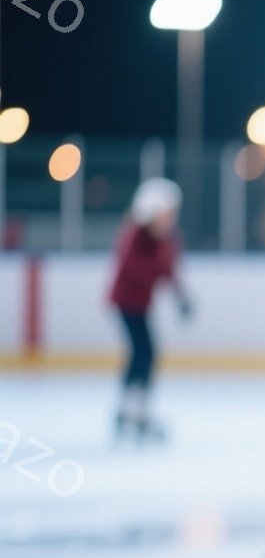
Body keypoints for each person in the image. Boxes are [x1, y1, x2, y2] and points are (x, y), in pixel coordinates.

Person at [107, 178, 191, 442]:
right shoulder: (137, 234)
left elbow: (168, 269)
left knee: (144, 353)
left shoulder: (164, 238)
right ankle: (130, 409)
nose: (170, 218)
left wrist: (181, 295)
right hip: (126, 301)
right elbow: (136, 266)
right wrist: (163, 273)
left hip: (140, 303)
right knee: (143, 352)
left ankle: (133, 409)